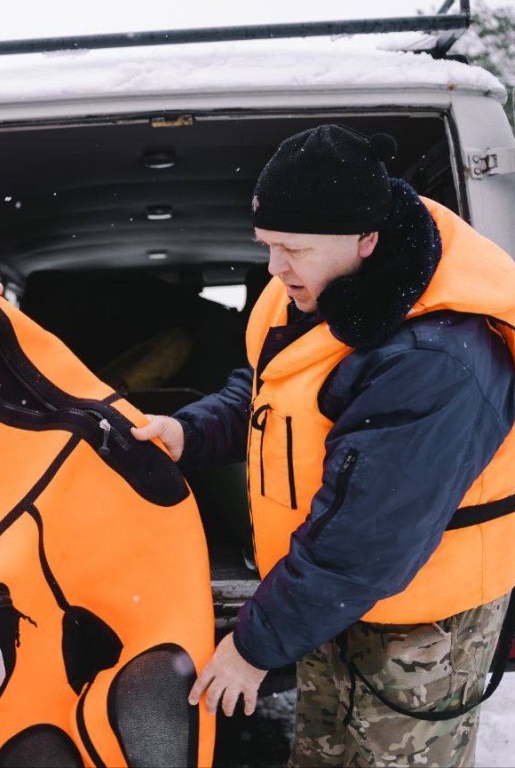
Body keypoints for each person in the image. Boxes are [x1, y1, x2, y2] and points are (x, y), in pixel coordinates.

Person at [132, 124, 515, 767]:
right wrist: (188, 431)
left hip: (420, 626)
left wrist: (252, 647)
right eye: (267, 246)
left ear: (367, 239)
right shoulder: (322, 287)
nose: (276, 268)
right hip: (337, 606)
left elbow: (363, 542)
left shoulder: (435, 357)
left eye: (293, 249)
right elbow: (272, 393)